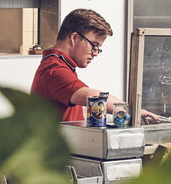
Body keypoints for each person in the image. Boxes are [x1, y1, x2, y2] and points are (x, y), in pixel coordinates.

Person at [31, 8, 160, 124]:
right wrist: (130, 110)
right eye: (94, 45)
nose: (96, 53)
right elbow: (91, 97)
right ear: (74, 38)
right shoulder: (54, 70)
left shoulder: (60, 65)